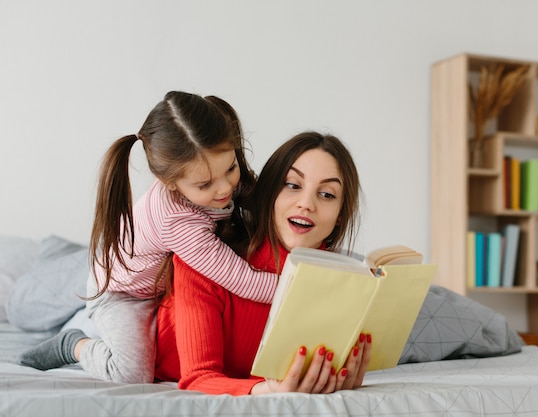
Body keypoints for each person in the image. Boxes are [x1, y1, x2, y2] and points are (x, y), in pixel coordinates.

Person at [18, 91, 279, 384]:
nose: (224, 189)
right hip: (122, 293)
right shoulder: (177, 222)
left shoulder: (218, 174)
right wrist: (302, 288)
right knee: (132, 373)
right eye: (205, 184)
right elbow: (242, 279)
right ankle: (74, 344)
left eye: (230, 168)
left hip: (144, 266)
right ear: (170, 183)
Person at [154, 131, 372, 395]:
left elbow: (277, 372)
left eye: (327, 194)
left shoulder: (343, 281)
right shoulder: (203, 261)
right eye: (293, 185)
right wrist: (268, 390)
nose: (306, 204)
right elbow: (198, 378)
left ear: (339, 215)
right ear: (269, 194)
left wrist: (332, 376)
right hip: (142, 323)